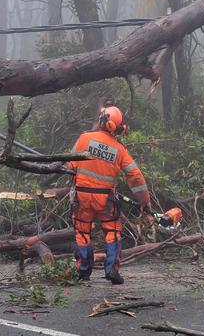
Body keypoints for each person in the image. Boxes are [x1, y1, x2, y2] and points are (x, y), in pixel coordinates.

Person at [66, 106, 151, 285]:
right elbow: (135, 176)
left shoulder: (84, 138)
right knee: (112, 232)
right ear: (120, 128)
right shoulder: (119, 149)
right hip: (106, 201)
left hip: (82, 198)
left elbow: (70, 166)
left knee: (82, 232)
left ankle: (83, 271)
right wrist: (144, 200)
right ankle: (111, 269)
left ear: (103, 120)